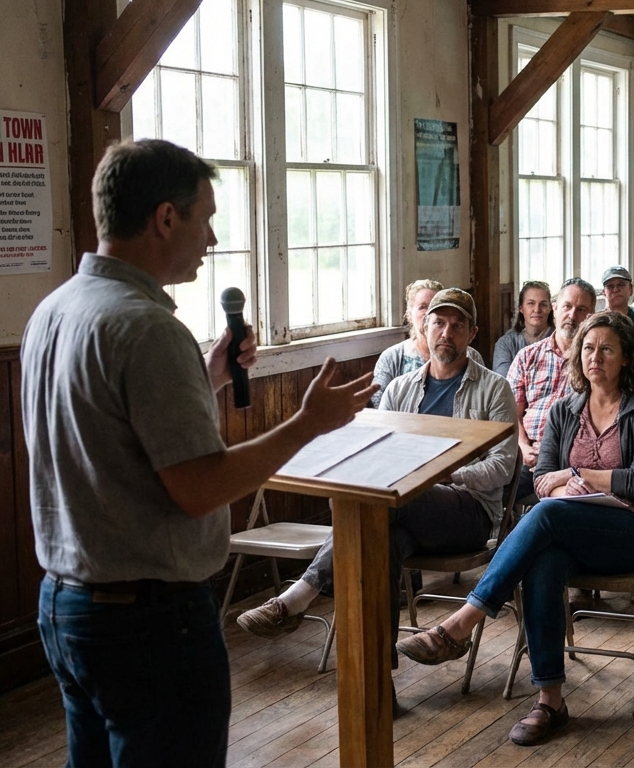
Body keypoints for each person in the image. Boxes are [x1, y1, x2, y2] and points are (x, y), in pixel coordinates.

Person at [23, 139, 375, 766]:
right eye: (205, 218)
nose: (211, 238)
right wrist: (307, 423)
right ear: (165, 218)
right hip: (148, 621)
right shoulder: (148, 329)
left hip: (67, 604)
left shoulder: (55, 309)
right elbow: (201, 488)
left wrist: (206, 374)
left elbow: (113, 435)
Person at [395, 311, 634, 748]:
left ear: (626, 358)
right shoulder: (564, 410)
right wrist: (566, 484)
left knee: (545, 516)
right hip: (571, 527)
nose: (595, 357)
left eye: (607, 349)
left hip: (631, 532)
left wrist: (577, 474)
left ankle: (464, 622)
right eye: (588, 348)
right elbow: (542, 479)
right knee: (544, 563)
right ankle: (550, 701)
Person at [235, 289, 516, 706]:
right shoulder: (400, 388)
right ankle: (379, 687)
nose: (446, 332)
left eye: (458, 325)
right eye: (439, 322)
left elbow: (503, 467)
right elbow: (379, 453)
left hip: (467, 512)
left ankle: (299, 595)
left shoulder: (494, 388)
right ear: (424, 327)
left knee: (386, 501)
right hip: (401, 510)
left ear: (472, 333)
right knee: (379, 543)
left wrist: (444, 471)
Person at [508, 278, 596, 500]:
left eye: (581, 310)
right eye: (567, 306)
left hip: (570, 459)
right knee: (490, 488)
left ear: (591, 316)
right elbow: (510, 414)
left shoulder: (595, 363)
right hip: (526, 453)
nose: (572, 315)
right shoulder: (527, 357)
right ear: (555, 309)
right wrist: (523, 447)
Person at [371, 279, 441, 407]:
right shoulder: (392, 357)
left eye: (434, 307)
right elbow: (379, 404)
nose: (429, 313)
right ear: (409, 314)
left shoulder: (467, 354)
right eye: (422, 307)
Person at [494, 280, 553, 377]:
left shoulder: (561, 340)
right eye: (531, 303)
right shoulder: (506, 344)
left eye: (543, 304)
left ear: (550, 308)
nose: (537, 310)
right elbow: (504, 382)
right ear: (521, 308)